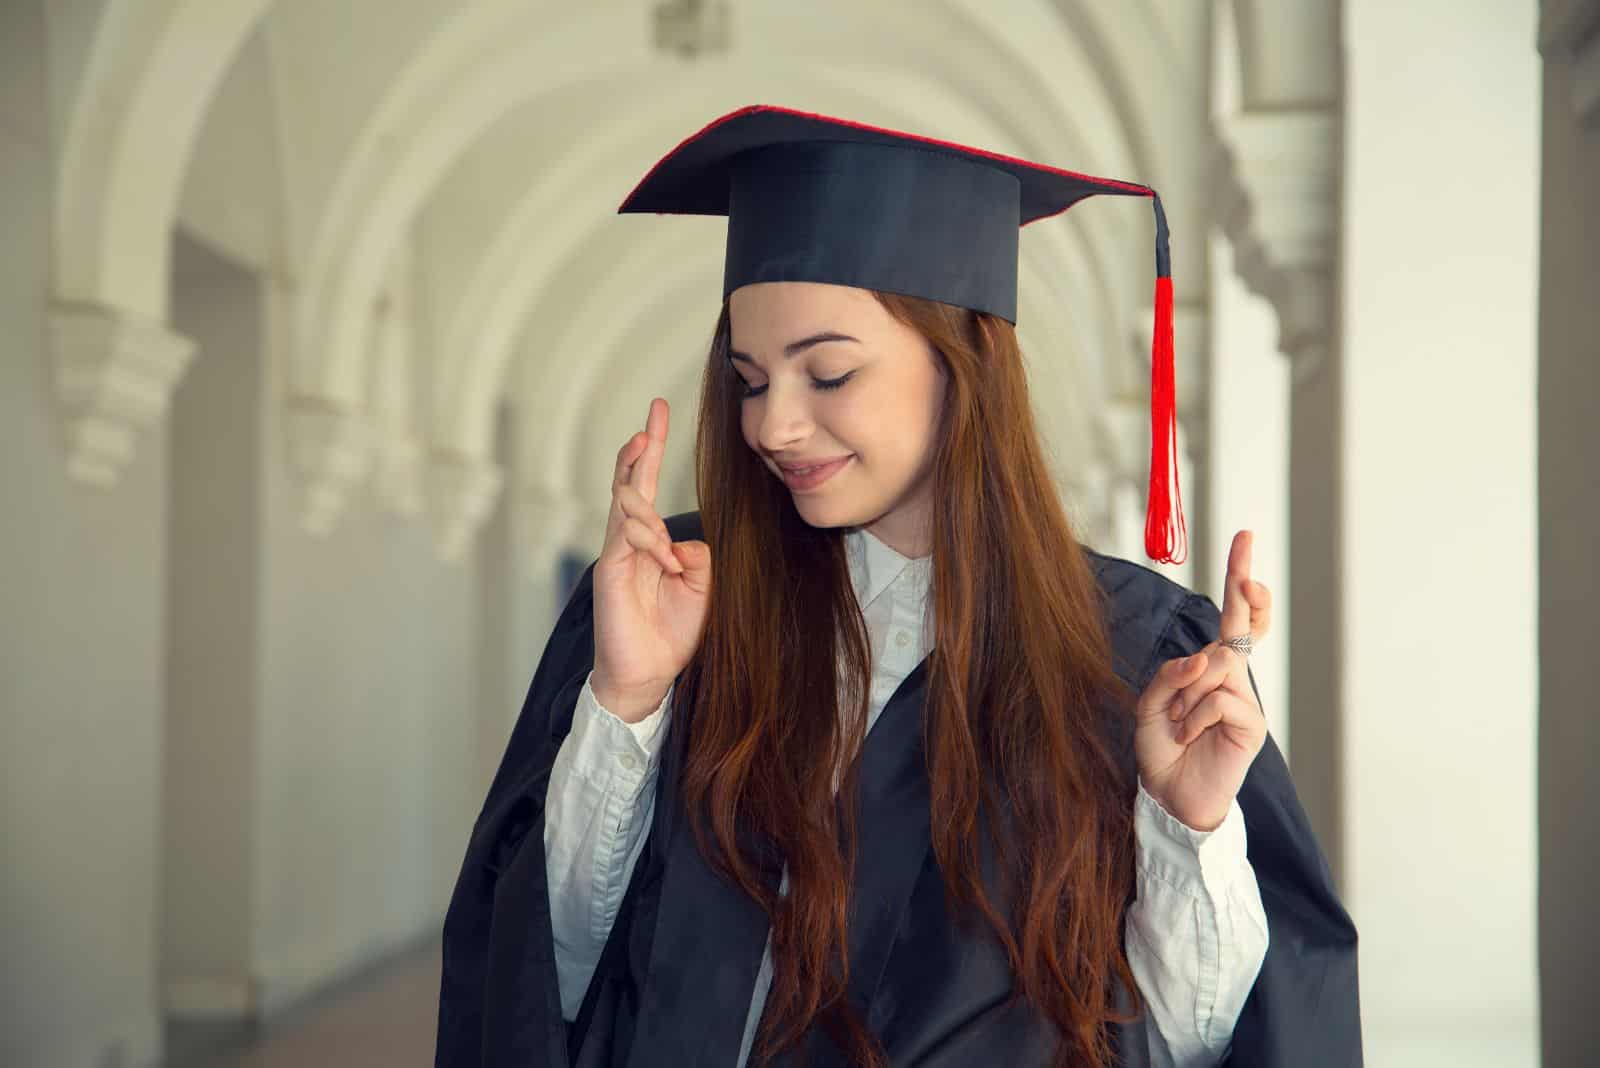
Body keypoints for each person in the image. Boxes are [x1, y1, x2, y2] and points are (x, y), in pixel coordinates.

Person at [435, 105, 1361, 1068]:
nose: (773, 426)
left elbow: (1194, 1048)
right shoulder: (676, 600)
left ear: (965, 367)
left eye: (828, 373)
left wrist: (1188, 831)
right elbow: (548, 982)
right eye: (750, 380)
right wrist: (627, 704)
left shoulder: (1127, 651)